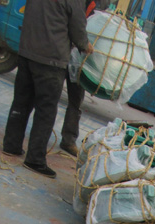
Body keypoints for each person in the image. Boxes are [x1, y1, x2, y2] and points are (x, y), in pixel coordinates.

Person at [2, 0, 93, 179]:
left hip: (27, 51)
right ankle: (35, 159)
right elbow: (78, 28)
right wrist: (85, 45)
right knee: (46, 111)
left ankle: (11, 145)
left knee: (21, 102)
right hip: (51, 60)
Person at [59, 0, 110, 157]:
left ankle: (68, 140)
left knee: (76, 100)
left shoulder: (100, 6)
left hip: (80, 59)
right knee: (48, 95)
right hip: (61, 50)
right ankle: (40, 133)